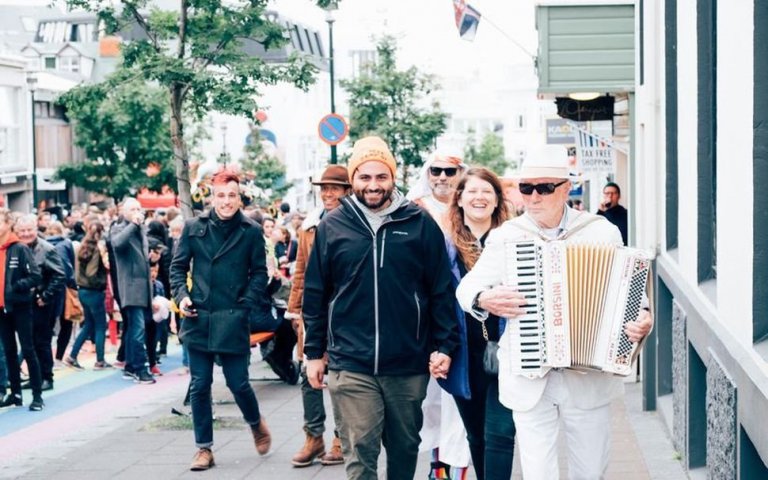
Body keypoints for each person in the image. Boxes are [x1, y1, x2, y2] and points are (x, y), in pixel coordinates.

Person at [456, 145, 653, 480]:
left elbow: (631, 295)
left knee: (590, 471)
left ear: (566, 188)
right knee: (538, 472)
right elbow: (466, 289)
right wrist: (484, 298)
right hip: (528, 375)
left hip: (588, 377)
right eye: (526, 188)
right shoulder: (507, 237)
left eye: (544, 188)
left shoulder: (602, 231)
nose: (533, 197)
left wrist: (642, 319)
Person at [302, 136, 459, 480]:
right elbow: (315, 294)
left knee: (404, 449)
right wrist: (313, 353)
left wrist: (444, 346)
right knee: (360, 452)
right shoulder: (333, 226)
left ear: (393, 177)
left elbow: (440, 291)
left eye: (381, 177)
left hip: (407, 362)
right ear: (353, 179)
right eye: (364, 177)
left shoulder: (419, 223)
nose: (373, 185)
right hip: (350, 362)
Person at [170, 169, 272, 471]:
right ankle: (204, 448)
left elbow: (260, 273)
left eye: (232, 195)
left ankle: (255, 422)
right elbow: (177, 268)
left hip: (233, 317)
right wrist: (182, 297)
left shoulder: (251, 230)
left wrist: (247, 303)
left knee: (238, 383)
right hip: (199, 317)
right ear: (212, 198)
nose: (226, 201)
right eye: (221, 196)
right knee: (200, 384)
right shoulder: (193, 227)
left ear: (239, 198)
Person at [441, 167, 516, 480]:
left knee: (501, 432)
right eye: (472, 191)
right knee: (476, 434)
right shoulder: (444, 248)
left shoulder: (514, 242)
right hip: (464, 355)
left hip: (509, 350)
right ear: (459, 199)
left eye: (487, 191)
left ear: (497, 200)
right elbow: (437, 301)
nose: (479, 197)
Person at [284, 164, 351, 467]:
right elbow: (300, 272)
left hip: (344, 312)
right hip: (313, 312)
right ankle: (313, 437)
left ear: (347, 191)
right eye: (324, 188)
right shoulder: (309, 226)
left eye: (334, 187)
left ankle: (341, 438)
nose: (327, 193)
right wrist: (294, 310)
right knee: (306, 374)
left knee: (339, 377)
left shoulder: (355, 223)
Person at [15, 215, 66, 391]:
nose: (26, 233)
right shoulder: (18, 248)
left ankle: (46, 377)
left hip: (41, 303)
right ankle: (35, 377)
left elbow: (60, 275)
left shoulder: (47, 249)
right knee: (29, 342)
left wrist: (45, 296)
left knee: (42, 341)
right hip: (24, 302)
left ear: (36, 229)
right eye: (22, 230)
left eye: (29, 230)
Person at [0, 208, 44, 410]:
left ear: (8, 224)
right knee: (9, 351)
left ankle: (37, 396)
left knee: (28, 349)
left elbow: (35, 276)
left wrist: (17, 286)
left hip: (21, 306)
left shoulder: (19, 248)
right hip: (2, 308)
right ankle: (16, 394)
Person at [109, 198, 155, 385]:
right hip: (130, 287)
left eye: (139, 209)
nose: (137, 212)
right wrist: (133, 225)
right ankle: (140, 368)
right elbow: (117, 244)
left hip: (143, 287)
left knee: (134, 328)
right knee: (137, 329)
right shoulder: (119, 228)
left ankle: (130, 366)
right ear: (124, 212)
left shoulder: (141, 230)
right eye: (133, 209)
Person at [66, 221, 112, 370]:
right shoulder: (96, 249)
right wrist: (102, 282)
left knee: (88, 324)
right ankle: (100, 360)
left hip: (82, 290)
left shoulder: (82, 246)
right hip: (94, 291)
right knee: (100, 326)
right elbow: (91, 272)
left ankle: (72, 356)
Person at [407, 149, 467, 224]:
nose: (442, 178)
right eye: (436, 171)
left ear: (461, 173)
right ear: (428, 174)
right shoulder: (415, 208)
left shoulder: (470, 207)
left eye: (450, 171)